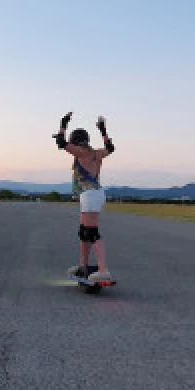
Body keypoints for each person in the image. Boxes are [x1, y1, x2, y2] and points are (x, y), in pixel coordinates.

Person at [54, 112, 115, 283]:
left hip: (90, 195)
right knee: (84, 232)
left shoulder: (81, 152)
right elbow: (110, 148)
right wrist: (103, 130)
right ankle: (83, 265)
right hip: (91, 194)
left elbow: (61, 142)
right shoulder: (96, 153)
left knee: (91, 232)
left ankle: (103, 270)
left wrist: (63, 123)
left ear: (75, 141)